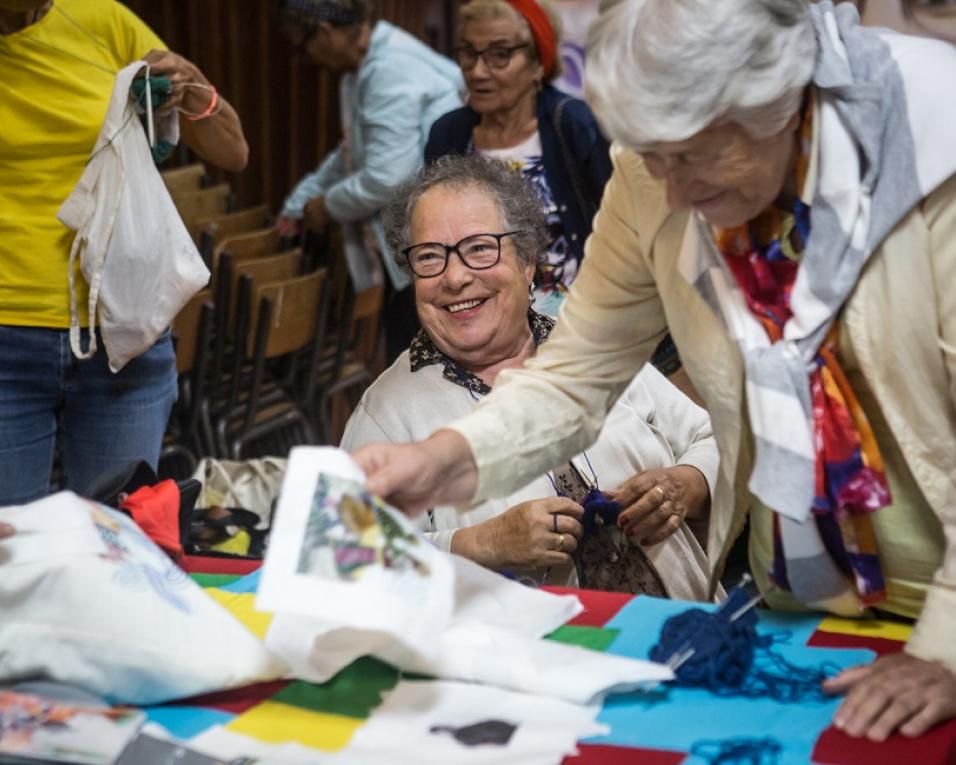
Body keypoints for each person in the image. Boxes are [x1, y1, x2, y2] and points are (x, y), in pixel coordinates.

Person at [353, 0, 956, 741]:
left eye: (691, 154)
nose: (669, 192)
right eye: (649, 156)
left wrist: (948, 646)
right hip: (801, 599)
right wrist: (444, 458)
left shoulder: (935, 148)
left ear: (781, 100)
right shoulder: (654, 170)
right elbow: (574, 373)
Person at [341, 155, 716, 597]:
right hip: (522, 658)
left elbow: (712, 439)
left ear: (526, 261)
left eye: (480, 248)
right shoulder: (387, 415)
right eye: (429, 257)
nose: (455, 276)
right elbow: (346, 561)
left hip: (686, 630)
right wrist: (477, 544)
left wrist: (687, 484)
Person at [0, 0, 248, 506]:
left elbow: (232, 152)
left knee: (116, 549)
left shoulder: (102, 21)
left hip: (123, 333)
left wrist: (192, 84)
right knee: (11, 561)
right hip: (7, 337)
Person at [275, 0, 463, 363]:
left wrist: (328, 206)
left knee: (423, 368)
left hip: (434, 238)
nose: (308, 58)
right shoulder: (373, 60)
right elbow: (353, 151)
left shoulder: (387, 69)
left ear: (326, 32)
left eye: (303, 47)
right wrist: (299, 203)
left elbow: (388, 177)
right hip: (430, 233)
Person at [425, 0, 610, 319]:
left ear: (539, 62)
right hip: (479, 319)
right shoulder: (448, 135)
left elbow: (617, 226)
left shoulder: (572, 126)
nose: (479, 71)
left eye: (500, 54)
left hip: (576, 320)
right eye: (469, 53)